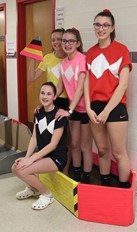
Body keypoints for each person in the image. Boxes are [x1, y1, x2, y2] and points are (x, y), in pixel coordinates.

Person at [84, 9, 132, 188]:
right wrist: (88, 108)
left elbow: (123, 85)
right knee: (103, 151)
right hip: (95, 109)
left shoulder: (121, 50)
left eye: (105, 25)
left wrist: (106, 111)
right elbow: (86, 84)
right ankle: (105, 187)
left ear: (112, 28)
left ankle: (123, 191)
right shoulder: (90, 52)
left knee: (119, 153)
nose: (101, 28)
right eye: (97, 24)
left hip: (115, 107)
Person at [12, 82, 68, 210]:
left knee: (22, 170)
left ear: (54, 97)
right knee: (15, 168)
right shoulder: (38, 112)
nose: (45, 96)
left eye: (49, 94)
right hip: (42, 156)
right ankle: (33, 189)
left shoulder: (59, 116)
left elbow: (53, 145)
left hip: (56, 158)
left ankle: (47, 195)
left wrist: (31, 160)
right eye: (42, 93)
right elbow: (34, 138)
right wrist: (26, 157)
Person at [28, 28, 71, 175]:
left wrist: (49, 101)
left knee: (66, 141)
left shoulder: (68, 59)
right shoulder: (47, 58)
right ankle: (48, 167)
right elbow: (31, 77)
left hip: (65, 102)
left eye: (60, 39)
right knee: (48, 136)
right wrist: (33, 58)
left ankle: (64, 171)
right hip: (51, 99)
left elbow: (64, 85)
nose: (57, 42)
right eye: (53, 39)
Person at [56, 28, 93, 184]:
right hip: (73, 109)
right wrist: (47, 100)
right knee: (74, 143)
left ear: (78, 43)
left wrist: (69, 109)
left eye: (71, 41)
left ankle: (87, 178)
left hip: (85, 109)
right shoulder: (63, 64)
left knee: (85, 146)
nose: (67, 44)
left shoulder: (82, 59)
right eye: (65, 41)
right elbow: (60, 87)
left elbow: (80, 89)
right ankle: (76, 174)